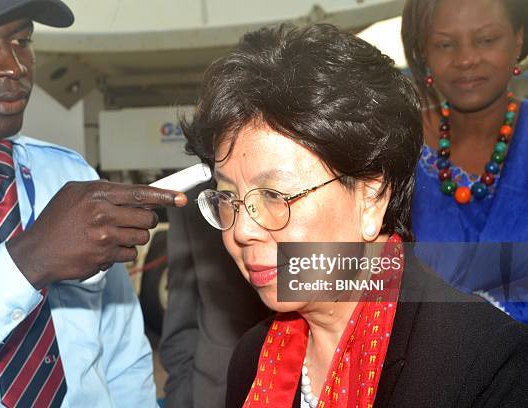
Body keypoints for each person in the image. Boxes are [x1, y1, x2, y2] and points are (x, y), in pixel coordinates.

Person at [181, 23, 528, 407]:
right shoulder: (252, 359)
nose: (242, 230)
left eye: (274, 195)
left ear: (372, 197)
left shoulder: (483, 363)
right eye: (229, 197)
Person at [0, 1, 186, 406]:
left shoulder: (67, 174)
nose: (12, 65)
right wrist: (31, 260)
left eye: (21, 40)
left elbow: (121, 348)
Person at [402, 0, 528, 322]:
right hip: (425, 364)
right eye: (445, 44)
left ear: (518, 39)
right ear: (423, 52)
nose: (467, 59)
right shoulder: (395, 146)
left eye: (487, 40)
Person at [160, 184, 271, 408]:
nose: (242, 231)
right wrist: (182, 398)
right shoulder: (193, 195)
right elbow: (181, 322)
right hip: (213, 394)